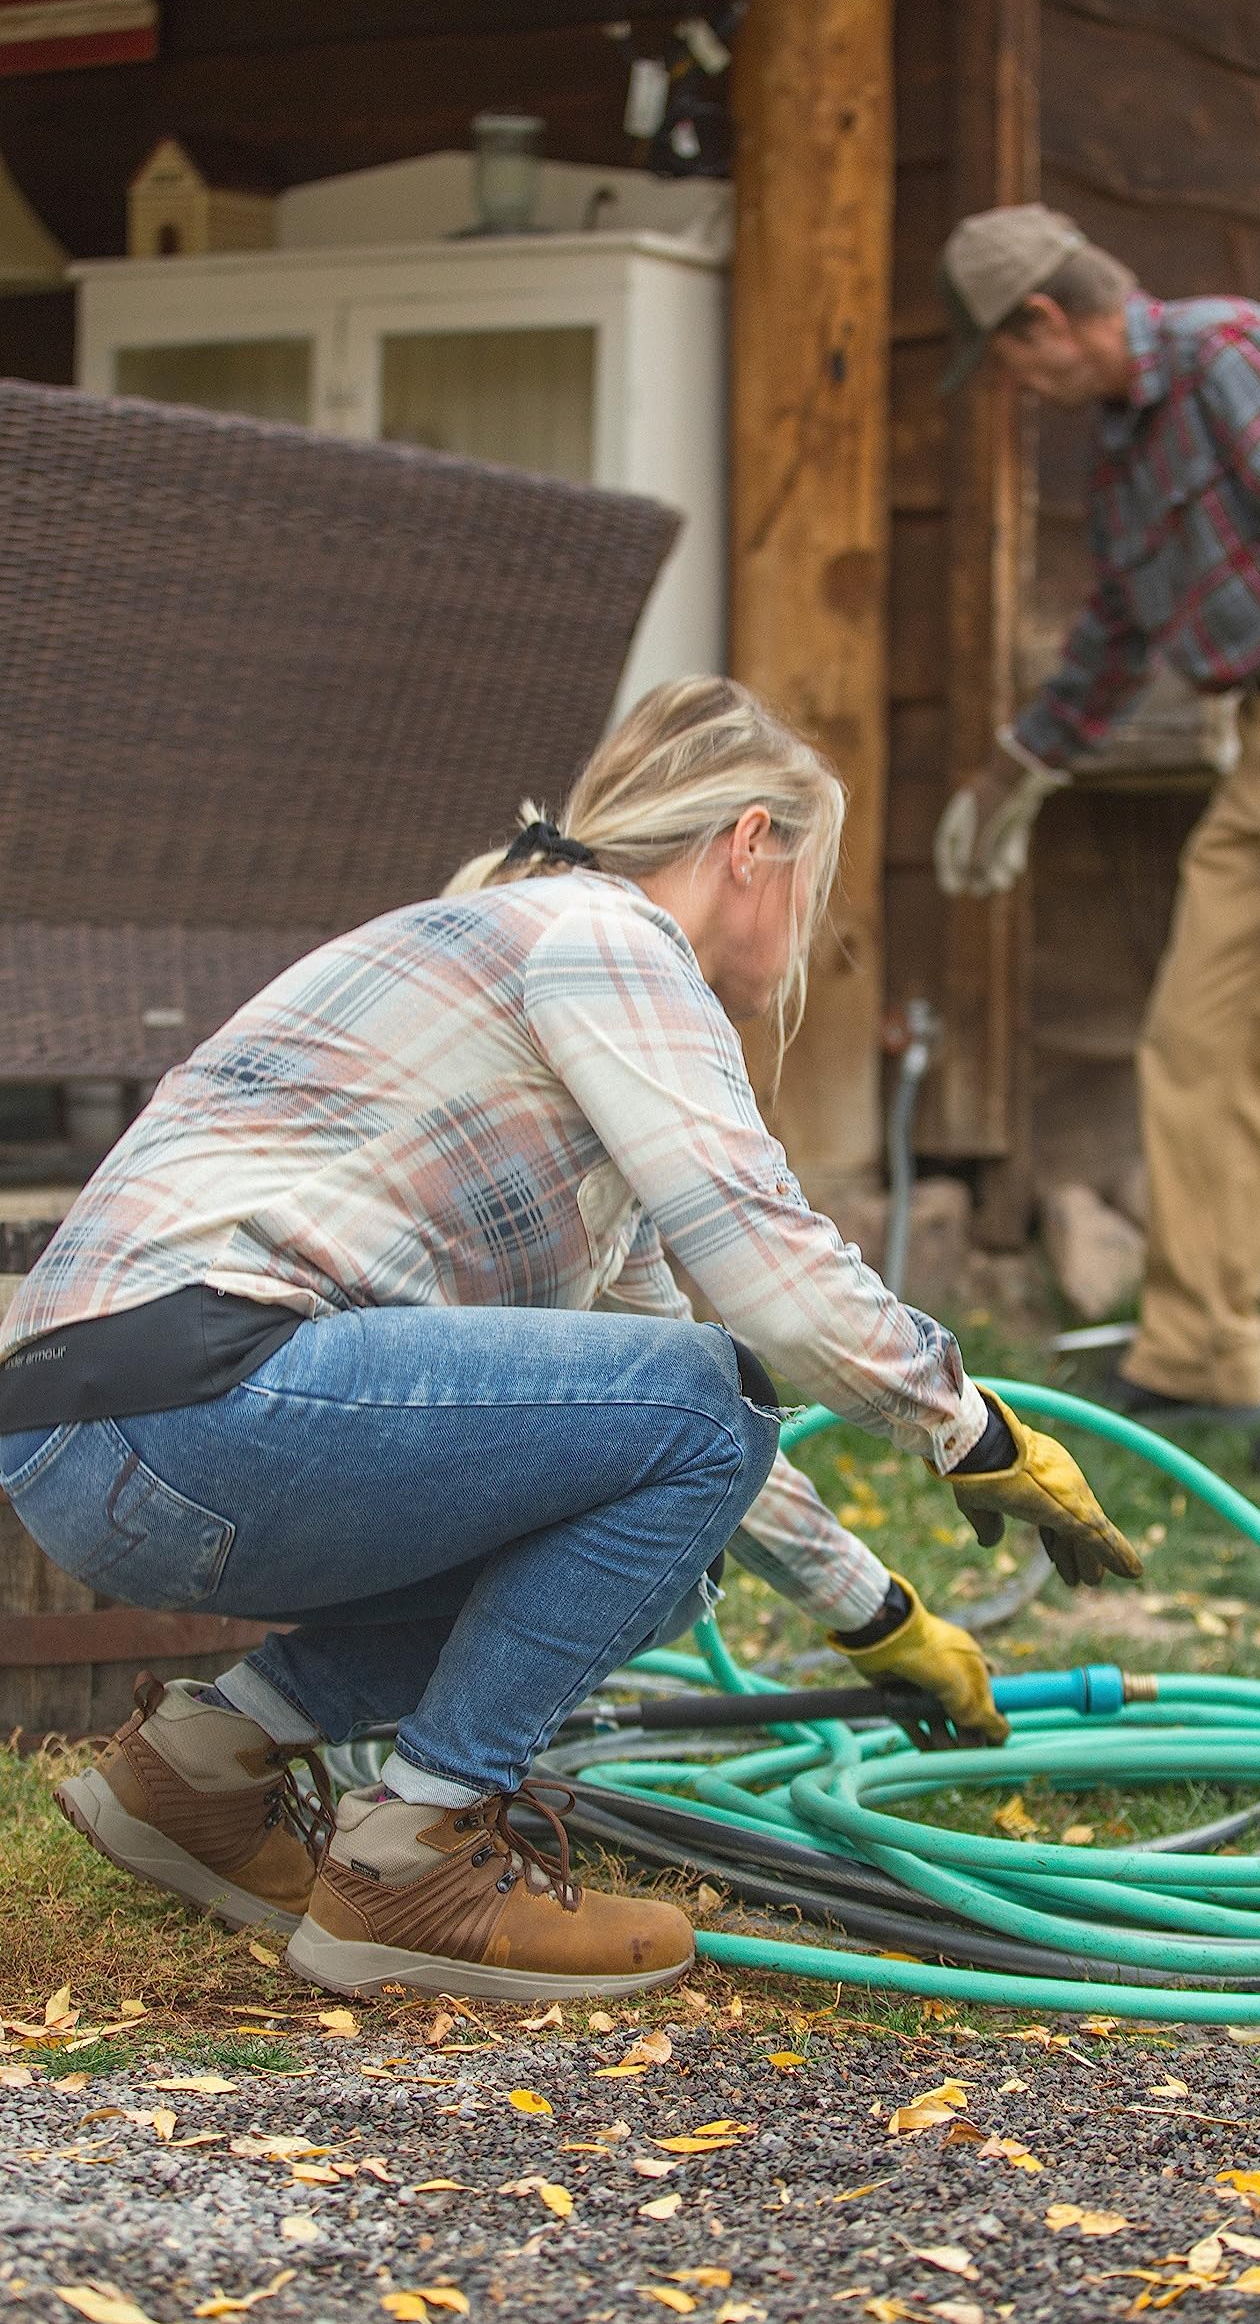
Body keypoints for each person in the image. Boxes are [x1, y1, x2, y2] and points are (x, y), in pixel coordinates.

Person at [0, 676, 1138, 2005]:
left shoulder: (523, 957)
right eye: (809, 872)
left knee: (673, 1558)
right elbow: (757, 1282)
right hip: (196, 1403)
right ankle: (416, 1852)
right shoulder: (603, 938)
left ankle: (196, 1771)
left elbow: (684, 1436)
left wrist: (878, 1619)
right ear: (748, 843)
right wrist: (964, 1422)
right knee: (708, 1401)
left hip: (89, 1438)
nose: (813, 918)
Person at [933, 206, 1260, 1478]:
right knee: (1199, 1040)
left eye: (1011, 361)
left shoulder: (1232, 353)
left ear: (1046, 323)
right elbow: (1119, 632)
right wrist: (1021, 764)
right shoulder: (1122, 446)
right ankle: (1201, 1355)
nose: (1019, 388)